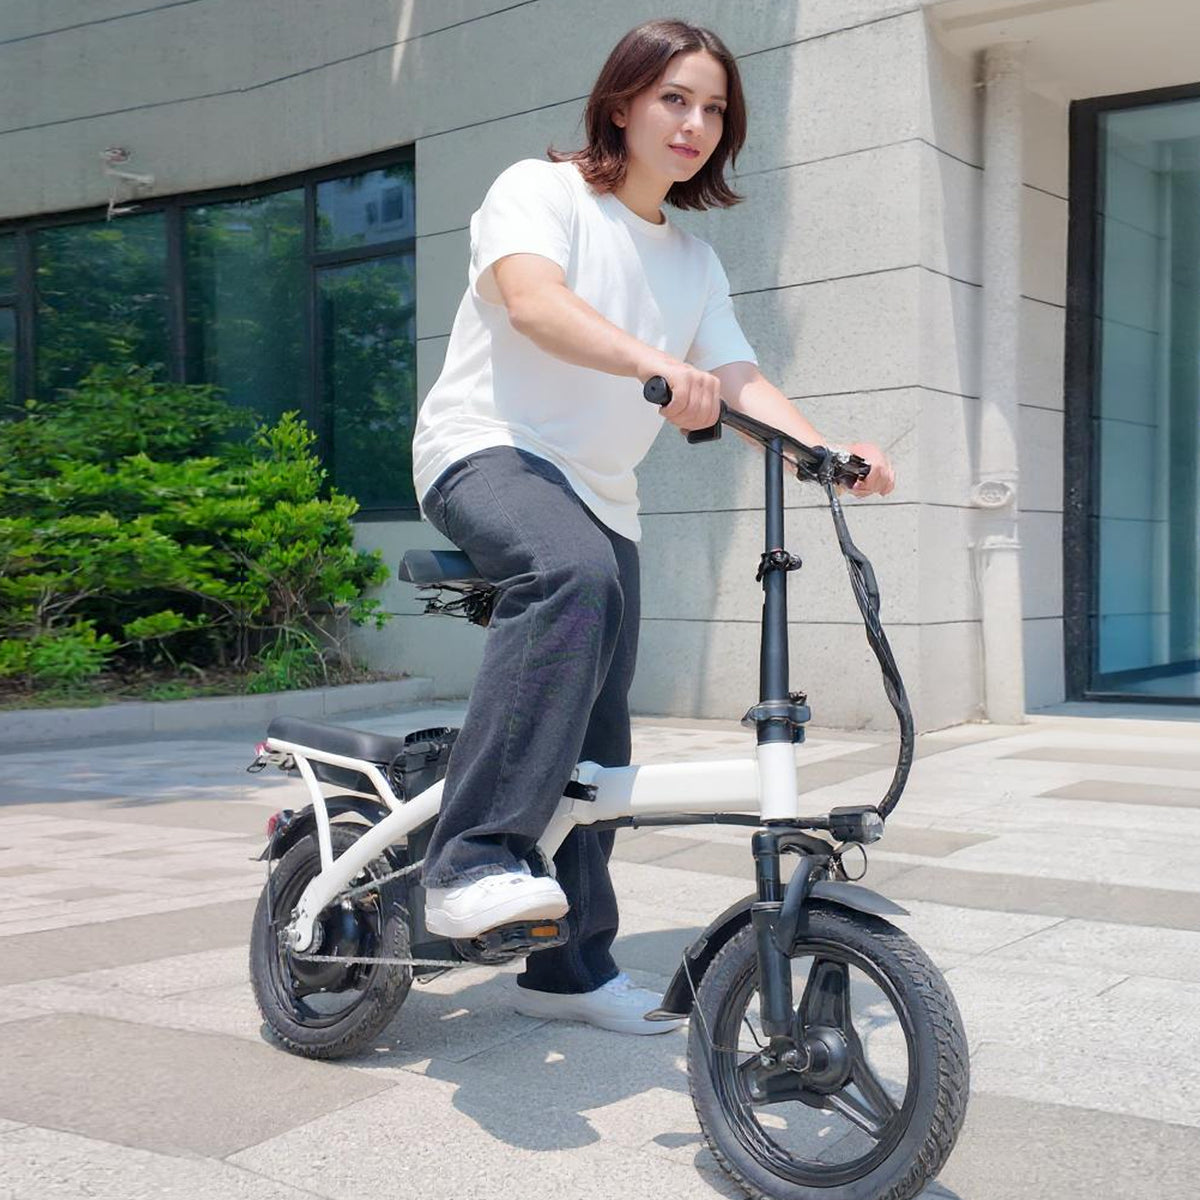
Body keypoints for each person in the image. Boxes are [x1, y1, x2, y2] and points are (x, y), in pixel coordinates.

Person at [410, 19, 895, 1036]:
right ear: (622, 102)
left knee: (600, 742)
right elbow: (534, 304)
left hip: (600, 494)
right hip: (486, 451)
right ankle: (470, 860)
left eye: (714, 109)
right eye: (675, 98)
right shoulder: (540, 191)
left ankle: (568, 972)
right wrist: (654, 365)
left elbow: (736, 377)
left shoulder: (694, 261)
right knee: (569, 575)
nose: (695, 123)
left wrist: (826, 453)